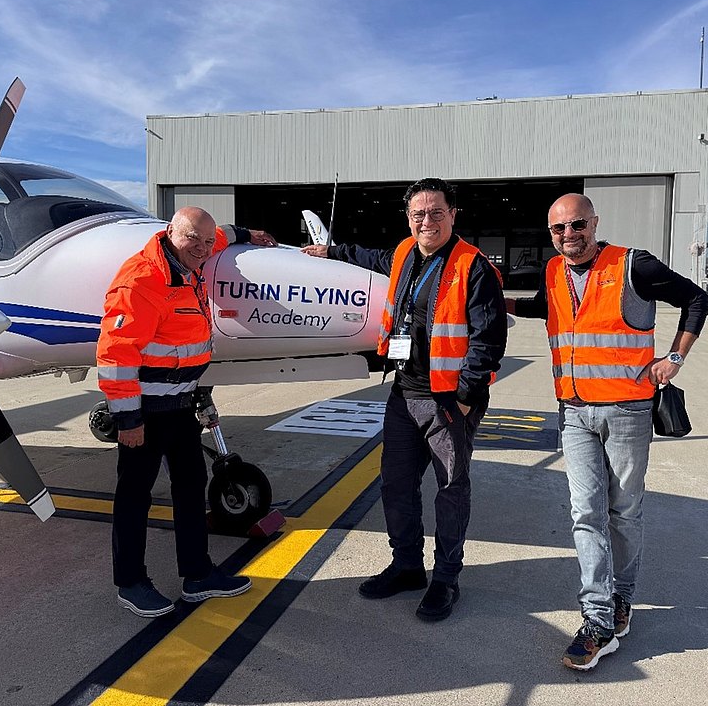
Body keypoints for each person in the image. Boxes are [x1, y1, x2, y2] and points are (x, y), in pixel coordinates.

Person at [507, 193, 708, 670]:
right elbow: (546, 308)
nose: (568, 235)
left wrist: (674, 358)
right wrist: (498, 299)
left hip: (627, 411)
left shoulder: (633, 265)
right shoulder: (554, 271)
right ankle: (598, 619)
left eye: (577, 225)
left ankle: (622, 597)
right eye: (558, 229)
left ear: (594, 222)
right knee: (585, 513)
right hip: (573, 410)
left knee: (624, 512)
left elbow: (696, 299)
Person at [302, 178, 507, 621]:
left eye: (436, 212)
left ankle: (446, 579)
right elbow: (368, 257)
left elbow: (488, 341)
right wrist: (331, 251)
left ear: (454, 215)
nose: (426, 221)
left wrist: (467, 398)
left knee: (450, 490)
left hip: (449, 401)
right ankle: (407, 565)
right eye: (418, 214)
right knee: (395, 484)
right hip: (405, 392)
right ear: (408, 217)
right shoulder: (403, 253)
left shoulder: (473, 268)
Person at [97, 206, 277, 617]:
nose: (202, 249)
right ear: (169, 233)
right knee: (134, 497)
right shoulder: (142, 280)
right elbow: (115, 353)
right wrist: (127, 418)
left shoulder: (191, 258)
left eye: (208, 242)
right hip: (145, 408)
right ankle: (130, 582)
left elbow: (216, 236)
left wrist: (248, 231)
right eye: (192, 239)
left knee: (192, 488)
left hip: (179, 405)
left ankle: (198, 575)